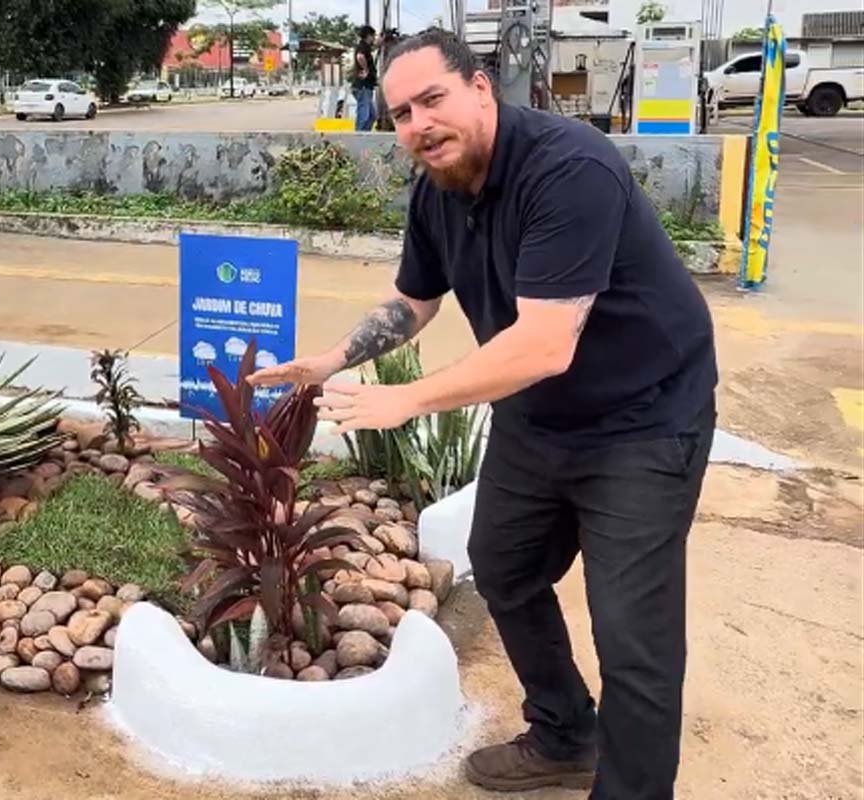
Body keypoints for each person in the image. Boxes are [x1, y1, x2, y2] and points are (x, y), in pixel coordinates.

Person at [250, 28, 717, 800]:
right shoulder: (438, 188)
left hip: (645, 420)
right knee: (504, 565)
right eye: (400, 112)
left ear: (480, 87)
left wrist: (407, 398)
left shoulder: (569, 169)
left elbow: (542, 344)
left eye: (431, 99)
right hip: (540, 419)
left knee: (634, 636)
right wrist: (334, 360)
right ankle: (566, 735)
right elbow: (413, 300)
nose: (418, 125)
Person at [351, 25, 378, 131]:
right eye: (373, 36)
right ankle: (359, 138)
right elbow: (360, 56)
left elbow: (376, 45)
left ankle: (365, 137)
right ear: (368, 36)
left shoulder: (365, 47)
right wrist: (366, 69)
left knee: (372, 116)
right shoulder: (363, 46)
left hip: (367, 86)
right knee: (364, 115)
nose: (374, 38)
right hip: (363, 86)